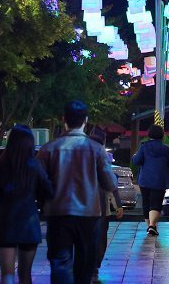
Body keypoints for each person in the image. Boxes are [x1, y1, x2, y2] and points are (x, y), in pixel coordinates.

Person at [36, 101, 117, 284]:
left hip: (57, 212)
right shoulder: (96, 150)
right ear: (86, 121)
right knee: (85, 262)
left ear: (63, 119)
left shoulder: (48, 149)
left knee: (60, 260)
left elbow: (38, 182)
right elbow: (109, 182)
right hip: (88, 214)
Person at [0, 124, 53, 284]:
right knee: (25, 275)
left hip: (5, 221)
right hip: (28, 221)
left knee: (7, 275)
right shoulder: (34, 166)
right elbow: (48, 191)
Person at [87, 129, 123, 283]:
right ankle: (94, 268)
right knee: (100, 238)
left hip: (80, 205)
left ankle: (87, 267)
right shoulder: (104, 156)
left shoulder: (80, 153)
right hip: (100, 206)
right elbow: (111, 185)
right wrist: (118, 206)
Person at [131, 125, 169, 236]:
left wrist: (134, 156)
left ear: (149, 134)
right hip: (159, 180)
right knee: (156, 204)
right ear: (161, 135)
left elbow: (136, 161)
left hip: (144, 180)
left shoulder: (143, 147)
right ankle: (152, 226)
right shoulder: (166, 148)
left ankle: (150, 226)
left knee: (146, 204)